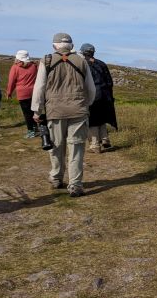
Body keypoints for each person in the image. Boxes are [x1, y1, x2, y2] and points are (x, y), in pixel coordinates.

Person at [31, 32, 96, 197]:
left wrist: (36, 110)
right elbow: (91, 89)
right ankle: (75, 185)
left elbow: (39, 87)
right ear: (72, 46)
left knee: (56, 146)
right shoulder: (81, 61)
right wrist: (85, 104)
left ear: (54, 46)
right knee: (76, 148)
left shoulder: (46, 60)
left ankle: (56, 177)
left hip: (55, 111)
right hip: (78, 110)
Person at [80, 43, 117, 152]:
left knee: (92, 120)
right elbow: (109, 82)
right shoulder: (101, 64)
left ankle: (95, 145)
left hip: (93, 96)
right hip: (105, 95)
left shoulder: (83, 65)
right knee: (102, 118)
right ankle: (105, 139)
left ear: (83, 52)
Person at [7, 50, 39, 138]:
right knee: (33, 111)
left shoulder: (15, 67)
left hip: (22, 93)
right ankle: (35, 128)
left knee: (27, 113)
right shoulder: (34, 66)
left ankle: (31, 131)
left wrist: (9, 92)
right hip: (34, 92)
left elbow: (11, 81)